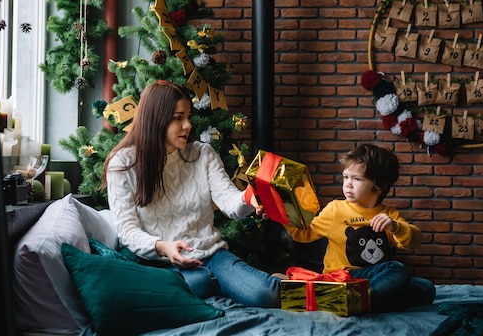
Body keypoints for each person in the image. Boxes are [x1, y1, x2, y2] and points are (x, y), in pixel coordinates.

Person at [102, 81, 280, 308]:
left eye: (188, 116)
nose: (187, 125)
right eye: (178, 118)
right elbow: (127, 230)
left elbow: (229, 202)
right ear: (155, 119)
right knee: (197, 285)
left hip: (213, 255)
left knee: (266, 294)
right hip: (163, 263)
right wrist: (162, 247)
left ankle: (310, 290)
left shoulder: (202, 153)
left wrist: (248, 197)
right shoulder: (124, 164)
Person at [285, 143, 436, 312]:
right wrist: (283, 215)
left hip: (374, 279)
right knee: (397, 268)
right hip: (343, 277)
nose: (348, 184)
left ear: (380, 185)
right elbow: (304, 234)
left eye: (357, 179)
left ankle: (348, 301)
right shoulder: (336, 209)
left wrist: (395, 227)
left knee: (426, 288)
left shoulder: (388, 214)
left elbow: (413, 241)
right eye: (346, 177)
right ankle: (352, 301)